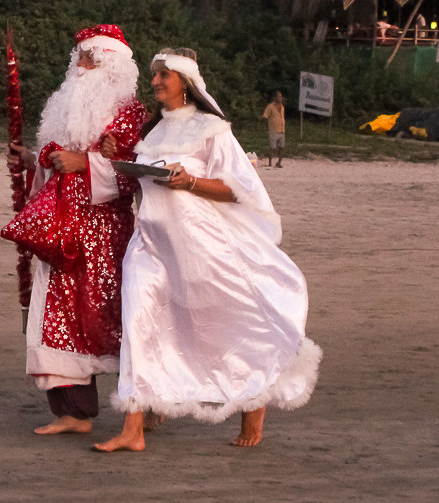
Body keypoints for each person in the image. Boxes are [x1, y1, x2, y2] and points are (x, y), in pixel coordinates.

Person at [93, 48, 321, 453]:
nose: (156, 82)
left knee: (228, 324)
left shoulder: (213, 128)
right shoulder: (152, 132)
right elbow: (143, 178)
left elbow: (239, 189)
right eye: (155, 75)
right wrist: (122, 160)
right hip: (150, 245)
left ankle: (255, 397)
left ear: (186, 81)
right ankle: (133, 429)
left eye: (164, 75)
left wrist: (190, 183)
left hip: (203, 247)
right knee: (139, 325)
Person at [0, 25, 148, 436]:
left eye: (92, 59)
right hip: (60, 230)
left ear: (113, 66)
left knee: (111, 319)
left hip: (104, 233)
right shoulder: (65, 105)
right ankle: (73, 412)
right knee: (56, 318)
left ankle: (147, 404)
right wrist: (33, 160)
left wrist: (87, 164)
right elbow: (57, 164)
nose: (81, 67)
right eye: (79, 57)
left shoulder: (132, 114)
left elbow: (138, 173)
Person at [262, 90, 286, 168]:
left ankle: (279, 163)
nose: (280, 98)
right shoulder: (270, 107)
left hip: (282, 130)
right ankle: (270, 162)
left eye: (281, 96)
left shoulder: (282, 107)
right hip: (273, 130)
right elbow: (265, 116)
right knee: (273, 148)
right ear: (275, 98)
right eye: (279, 96)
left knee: (282, 147)